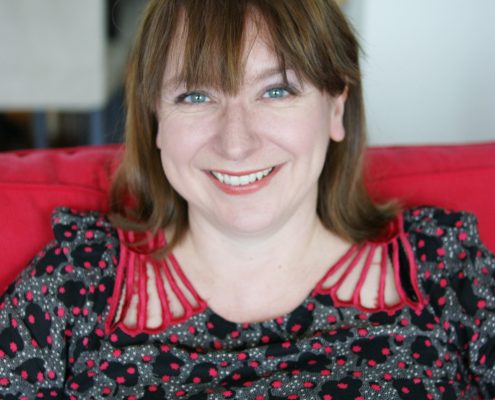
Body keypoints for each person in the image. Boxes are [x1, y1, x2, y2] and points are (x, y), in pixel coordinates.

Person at [1, 1, 494, 399]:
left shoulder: (442, 269)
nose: (236, 144)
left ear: (336, 108)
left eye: (276, 91)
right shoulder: (74, 285)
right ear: (155, 121)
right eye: (196, 96)